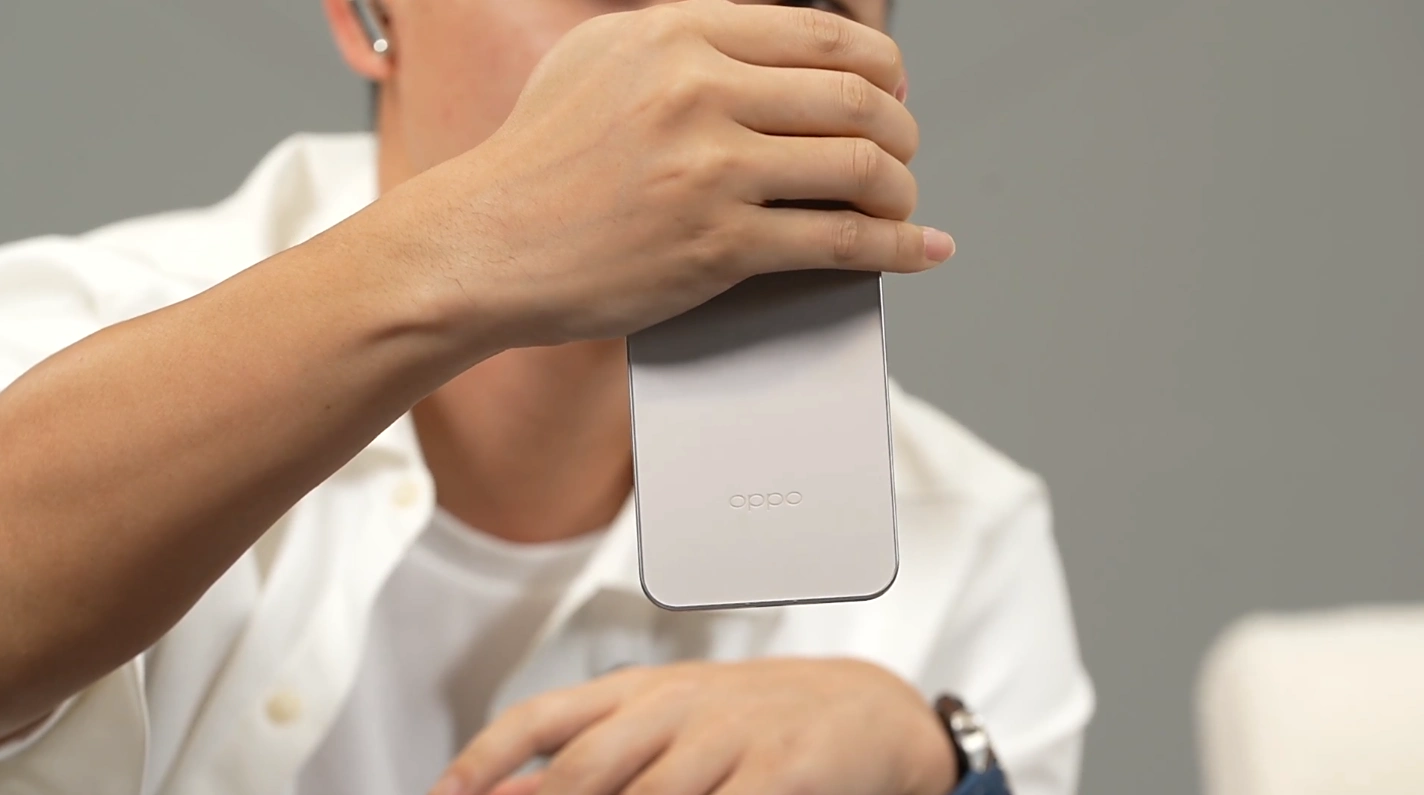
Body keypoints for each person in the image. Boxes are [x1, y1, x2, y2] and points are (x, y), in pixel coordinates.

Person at [0, 1, 1093, 794]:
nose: (699, 68)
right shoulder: (58, 339)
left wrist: (939, 760)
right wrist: (466, 251)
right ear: (369, 14)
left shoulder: (962, 531)